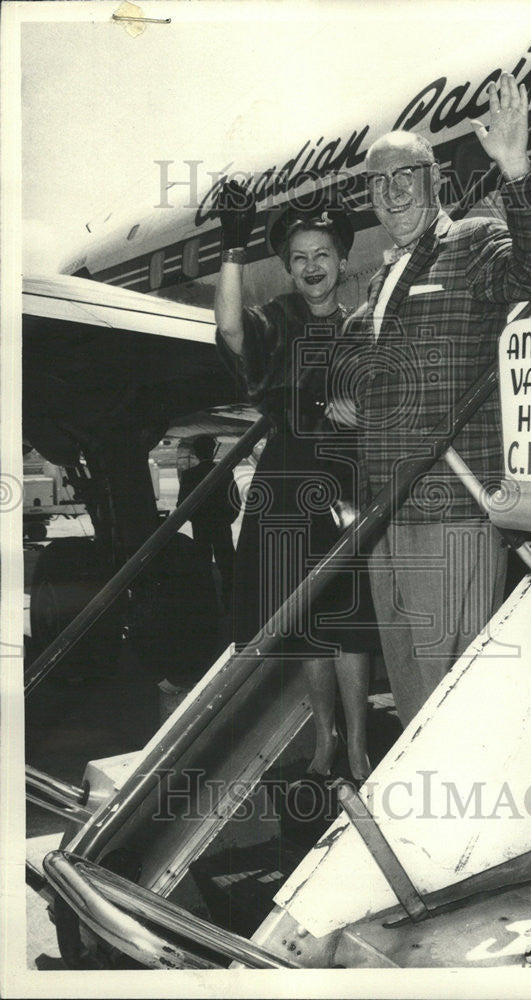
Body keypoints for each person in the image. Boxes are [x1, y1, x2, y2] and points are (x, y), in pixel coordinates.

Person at [349, 74, 531, 727]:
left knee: (453, 689)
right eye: (377, 182)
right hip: (387, 514)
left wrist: (515, 170)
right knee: (415, 690)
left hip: (449, 510)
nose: (390, 194)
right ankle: (426, 814)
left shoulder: (471, 241)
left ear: (434, 180)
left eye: (404, 177)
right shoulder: (384, 276)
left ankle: (470, 817)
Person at [214, 186, 375, 783]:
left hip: (349, 480)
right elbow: (231, 329)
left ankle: (358, 746)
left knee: (350, 619)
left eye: (323, 255)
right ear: (288, 267)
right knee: (307, 621)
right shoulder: (277, 321)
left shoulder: (366, 324)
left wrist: (365, 412)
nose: (312, 267)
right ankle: (325, 740)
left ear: (341, 262)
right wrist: (234, 245)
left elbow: (394, 399)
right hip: (288, 479)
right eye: (300, 257)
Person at [176, 434, 237, 611]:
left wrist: (196, 518)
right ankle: (230, 603)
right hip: (222, 527)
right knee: (227, 567)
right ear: (212, 450)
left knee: (202, 568)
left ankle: (208, 605)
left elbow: (182, 505)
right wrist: (227, 520)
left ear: (195, 452)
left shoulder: (189, 475)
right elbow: (234, 501)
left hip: (201, 527)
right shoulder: (225, 472)